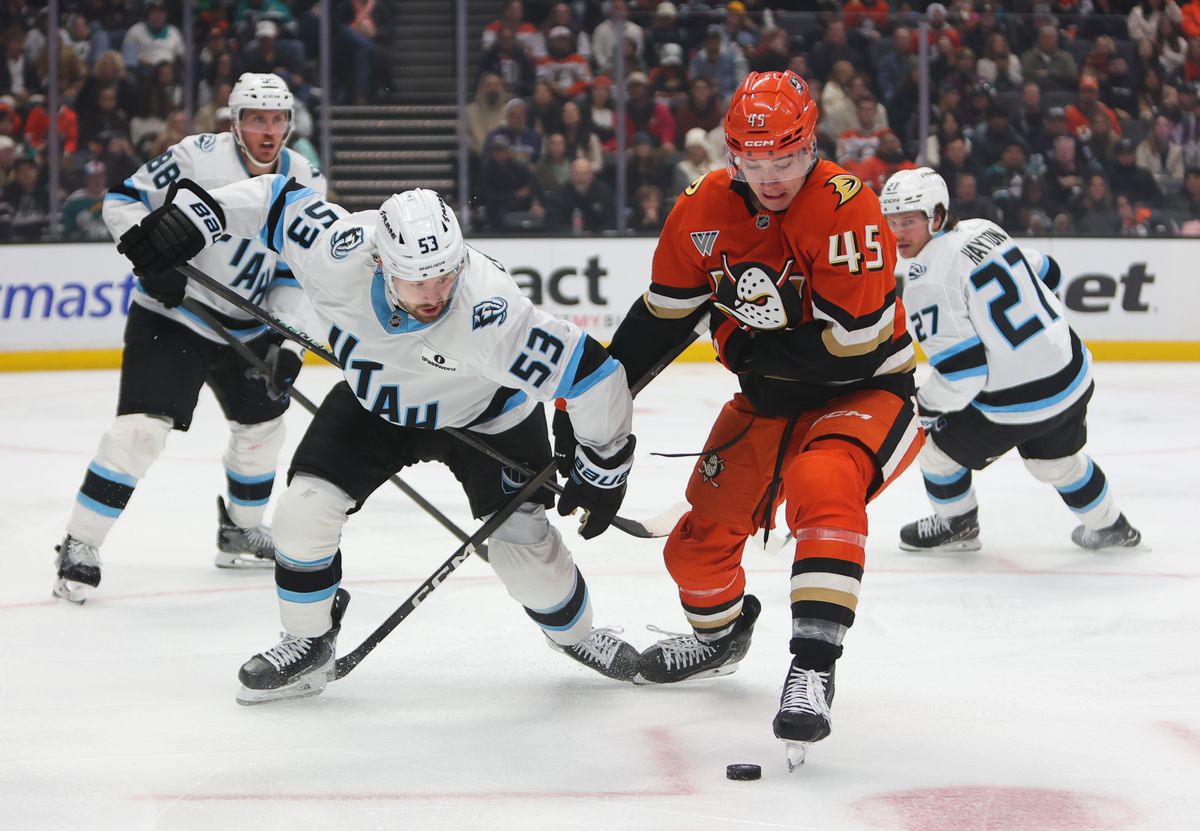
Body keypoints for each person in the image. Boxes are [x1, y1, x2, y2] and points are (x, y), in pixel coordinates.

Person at [115, 180, 645, 703]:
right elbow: (276, 200)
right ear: (380, 264)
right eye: (416, 282)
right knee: (303, 513)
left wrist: (605, 466)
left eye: (445, 276)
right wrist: (191, 221)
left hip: (486, 415)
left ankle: (576, 636)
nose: (434, 295)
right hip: (377, 406)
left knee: (526, 558)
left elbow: (595, 376)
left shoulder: (492, 312)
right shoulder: (338, 252)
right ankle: (308, 639)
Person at [592, 70, 922, 768]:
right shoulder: (702, 206)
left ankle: (812, 667)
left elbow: (854, 347)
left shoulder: (848, 206)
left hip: (864, 392)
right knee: (693, 551)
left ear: (812, 146)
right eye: (754, 160)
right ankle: (722, 639)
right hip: (768, 400)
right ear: (732, 153)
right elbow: (660, 319)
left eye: (787, 158)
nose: (771, 177)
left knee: (821, 482)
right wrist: (592, 415)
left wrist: (743, 345)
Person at [51, 73, 326, 604]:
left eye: (277, 120)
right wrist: (150, 259)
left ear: (290, 124)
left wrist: (287, 343)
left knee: (263, 431)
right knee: (140, 432)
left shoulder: (305, 179)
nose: (268, 131)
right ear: (235, 123)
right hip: (173, 315)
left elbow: (297, 271)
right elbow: (122, 200)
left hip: (248, 325)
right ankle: (79, 543)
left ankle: (241, 531)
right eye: (256, 119)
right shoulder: (197, 157)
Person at [880, 167, 1142, 553]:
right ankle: (1113, 527)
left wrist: (921, 409)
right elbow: (1050, 272)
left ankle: (957, 525)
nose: (897, 233)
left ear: (936, 216)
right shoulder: (983, 228)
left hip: (1017, 402)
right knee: (1055, 462)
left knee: (934, 452)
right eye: (891, 222)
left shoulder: (927, 282)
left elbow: (963, 375)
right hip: (1071, 373)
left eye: (908, 222)